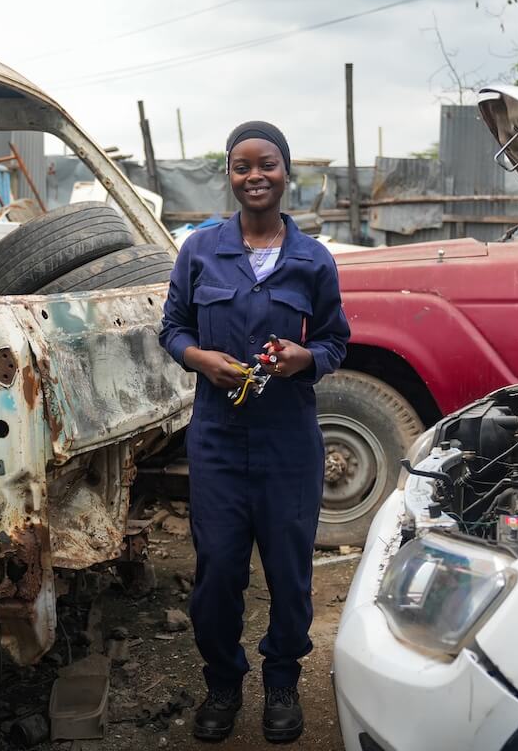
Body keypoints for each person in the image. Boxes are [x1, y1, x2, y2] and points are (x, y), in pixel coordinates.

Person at [159, 121, 349, 743]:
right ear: (230, 177)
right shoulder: (200, 251)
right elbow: (173, 327)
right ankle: (222, 681)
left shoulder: (313, 259)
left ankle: (283, 679)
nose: (255, 176)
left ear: (286, 172)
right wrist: (199, 359)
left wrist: (305, 359)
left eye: (266, 164)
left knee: (290, 571)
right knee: (216, 570)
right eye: (242, 167)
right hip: (217, 441)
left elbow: (335, 340)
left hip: (288, 443)